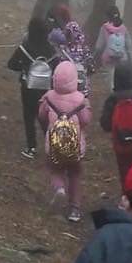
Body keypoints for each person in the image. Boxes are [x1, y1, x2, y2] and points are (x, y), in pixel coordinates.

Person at [38, 59, 93, 223]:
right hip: (75, 146)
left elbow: (41, 116)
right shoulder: (80, 99)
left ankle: (59, 188)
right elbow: (86, 121)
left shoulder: (48, 98)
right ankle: (74, 209)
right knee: (75, 173)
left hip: (54, 145)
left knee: (55, 169)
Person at [7, 13, 55, 160]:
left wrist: (24, 67)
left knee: (29, 117)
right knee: (45, 117)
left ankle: (31, 147)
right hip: (46, 89)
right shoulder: (51, 50)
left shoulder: (24, 48)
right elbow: (57, 67)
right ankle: (53, 147)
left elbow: (11, 64)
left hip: (28, 88)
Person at [94, 6, 132, 87]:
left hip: (109, 58)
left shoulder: (105, 27)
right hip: (122, 57)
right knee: (121, 78)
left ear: (107, 16)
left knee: (111, 79)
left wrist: (94, 57)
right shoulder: (123, 28)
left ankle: (113, 93)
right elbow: (130, 48)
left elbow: (99, 46)